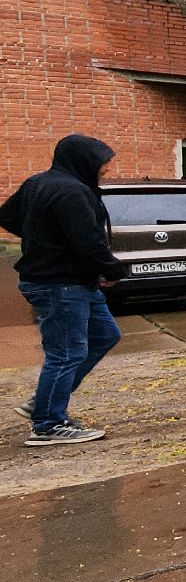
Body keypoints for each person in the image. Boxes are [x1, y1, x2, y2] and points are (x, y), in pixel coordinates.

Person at [0, 135, 125, 446]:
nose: (106, 169)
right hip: (60, 284)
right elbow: (88, 242)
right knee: (66, 353)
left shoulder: (39, 183)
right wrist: (112, 270)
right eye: (103, 163)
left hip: (73, 281)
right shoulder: (72, 192)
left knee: (105, 335)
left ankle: (45, 401)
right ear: (85, 160)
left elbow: (7, 216)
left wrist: (44, 238)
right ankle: (48, 424)